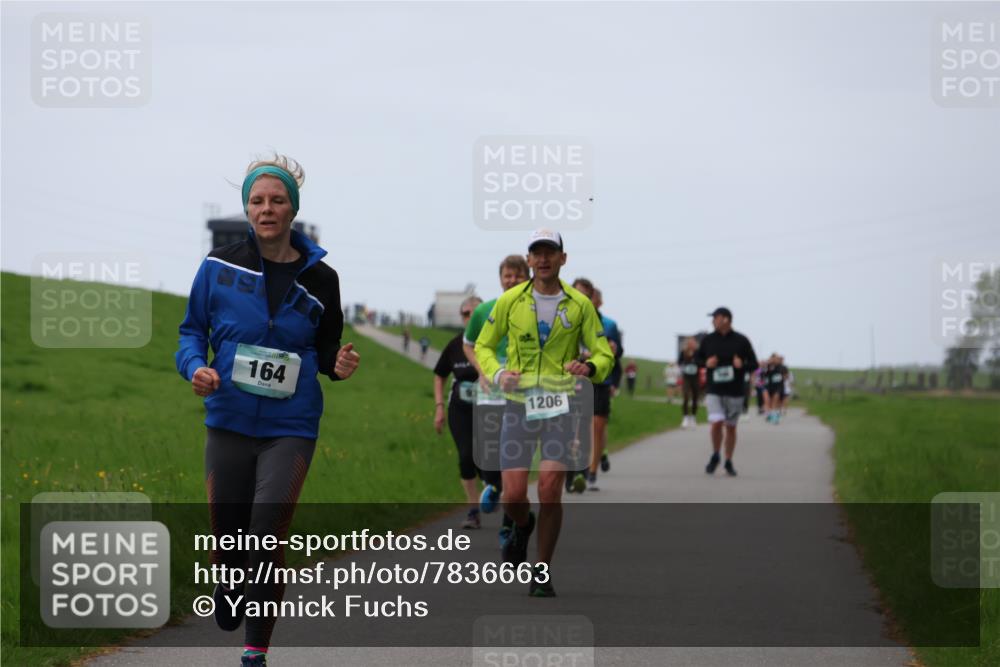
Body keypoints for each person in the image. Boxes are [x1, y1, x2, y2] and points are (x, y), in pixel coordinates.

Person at [176, 155, 360, 667]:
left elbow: (327, 347)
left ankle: (255, 652)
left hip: (291, 424)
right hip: (229, 418)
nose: (267, 209)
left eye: (277, 200)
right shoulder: (218, 266)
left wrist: (338, 364)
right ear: (247, 209)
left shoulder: (322, 278)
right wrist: (195, 367)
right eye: (257, 201)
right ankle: (227, 576)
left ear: (292, 209)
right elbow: (190, 332)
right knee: (229, 537)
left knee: (267, 531)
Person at [475, 229, 613, 597]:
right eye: (537, 253)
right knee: (513, 495)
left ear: (563, 259)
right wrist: (498, 374)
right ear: (530, 259)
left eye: (550, 252)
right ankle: (522, 525)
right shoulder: (511, 300)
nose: (543, 259)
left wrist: (590, 367)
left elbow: (604, 353)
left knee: (550, 490)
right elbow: (484, 346)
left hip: (560, 406)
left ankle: (542, 570)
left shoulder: (579, 305)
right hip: (519, 405)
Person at [462, 254, 530, 544]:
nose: (512, 280)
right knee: (488, 454)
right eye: (507, 276)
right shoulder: (484, 311)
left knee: (513, 462)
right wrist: (482, 370)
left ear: (527, 278)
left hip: (522, 396)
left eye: (517, 275)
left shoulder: (537, 311)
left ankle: (508, 526)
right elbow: (469, 345)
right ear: (501, 279)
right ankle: (492, 485)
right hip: (490, 392)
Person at [434, 296, 503, 529]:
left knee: (488, 457)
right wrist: (439, 407)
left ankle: (494, 488)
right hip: (460, 408)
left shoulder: (496, 343)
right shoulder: (455, 345)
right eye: (465, 314)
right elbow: (439, 375)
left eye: (475, 314)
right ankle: (473, 511)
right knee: (466, 456)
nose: (470, 318)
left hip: (491, 407)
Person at [568, 280, 622, 492]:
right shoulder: (564, 318)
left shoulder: (608, 324)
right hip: (572, 380)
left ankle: (592, 472)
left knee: (597, 427)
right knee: (574, 428)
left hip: (599, 381)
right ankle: (572, 471)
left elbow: (617, 355)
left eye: (586, 295)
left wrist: (612, 350)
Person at [696, 307, 757, 477]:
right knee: (716, 422)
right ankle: (716, 454)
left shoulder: (741, 340)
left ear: (726, 319)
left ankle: (728, 460)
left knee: (731, 427)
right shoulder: (708, 340)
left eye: (715, 317)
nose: (712, 321)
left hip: (735, 391)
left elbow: (754, 364)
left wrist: (742, 365)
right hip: (714, 389)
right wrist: (706, 363)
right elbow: (697, 359)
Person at [678, 336, 701, 428]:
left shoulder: (698, 352)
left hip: (695, 377)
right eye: (690, 342)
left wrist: (695, 361)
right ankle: (685, 417)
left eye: (693, 342)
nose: (691, 344)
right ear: (687, 344)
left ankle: (693, 417)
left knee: (695, 397)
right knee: (686, 396)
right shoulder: (683, 352)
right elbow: (679, 362)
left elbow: (702, 362)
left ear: (695, 343)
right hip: (686, 377)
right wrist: (685, 364)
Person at [764, 353, 788, 424]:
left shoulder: (782, 367)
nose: (775, 360)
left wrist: (783, 378)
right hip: (769, 386)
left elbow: (786, 376)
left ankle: (775, 417)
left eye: (776, 358)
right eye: (773, 358)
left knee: (776, 400)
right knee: (769, 401)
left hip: (778, 386)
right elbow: (763, 373)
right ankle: (770, 415)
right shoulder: (768, 366)